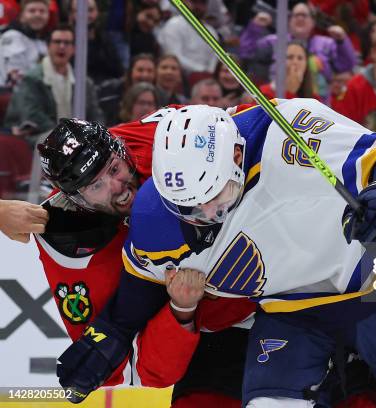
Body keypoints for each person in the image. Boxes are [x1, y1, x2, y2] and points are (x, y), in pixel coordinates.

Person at [57, 99, 376, 408]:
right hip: (295, 311)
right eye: (188, 208)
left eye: (214, 197)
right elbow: (130, 309)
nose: (206, 215)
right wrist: (105, 340)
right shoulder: (155, 215)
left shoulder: (290, 132)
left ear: (238, 157)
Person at [32, 115, 256, 406]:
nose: (118, 186)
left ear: (122, 150)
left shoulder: (154, 136)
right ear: (78, 201)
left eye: (115, 168)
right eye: (96, 187)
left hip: (290, 288)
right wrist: (181, 311)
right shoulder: (71, 248)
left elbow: (234, 126)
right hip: (223, 334)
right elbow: (138, 371)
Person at [4, 25, 103, 140]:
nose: (62, 46)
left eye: (67, 43)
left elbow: (95, 114)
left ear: (73, 49)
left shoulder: (84, 83)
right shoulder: (32, 79)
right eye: (57, 42)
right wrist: (64, 136)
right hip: (39, 138)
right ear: (48, 46)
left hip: (77, 141)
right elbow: (33, 116)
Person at [239, 2, 357, 88]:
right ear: (289, 21)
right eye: (296, 15)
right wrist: (255, 27)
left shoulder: (326, 44)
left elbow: (346, 65)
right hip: (280, 101)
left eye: (304, 15)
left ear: (313, 22)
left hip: (318, 105)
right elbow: (246, 53)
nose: (300, 18)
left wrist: (342, 41)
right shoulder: (274, 41)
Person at [156, 0, 219, 75]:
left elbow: (214, 59)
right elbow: (174, 56)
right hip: (178, 75)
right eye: (195, 2)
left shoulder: (212, 31)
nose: (198, 7)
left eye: (202, 4)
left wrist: (208, 73)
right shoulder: (174, 24)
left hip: (205, 76)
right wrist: (201, 70)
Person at [0, 0, 49, 88]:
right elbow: (15, 77)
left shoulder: (42, 41)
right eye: (32, 11)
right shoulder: (13, 36)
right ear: (22, 16)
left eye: (42, 11)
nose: (37, 15)